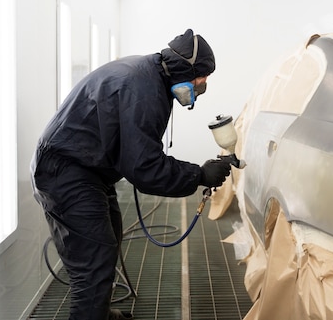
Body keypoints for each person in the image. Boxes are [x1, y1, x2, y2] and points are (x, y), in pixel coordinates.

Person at [30, 29, 231, 320]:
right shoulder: (143, 91)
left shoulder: (151, 76)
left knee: (109, 238)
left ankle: (99, 313)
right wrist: (199, 175)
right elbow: (145, 169)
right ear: (184, 69)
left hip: (87, 167)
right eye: (202, 76)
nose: (203, 84)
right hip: (65, 171)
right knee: (93, 263)